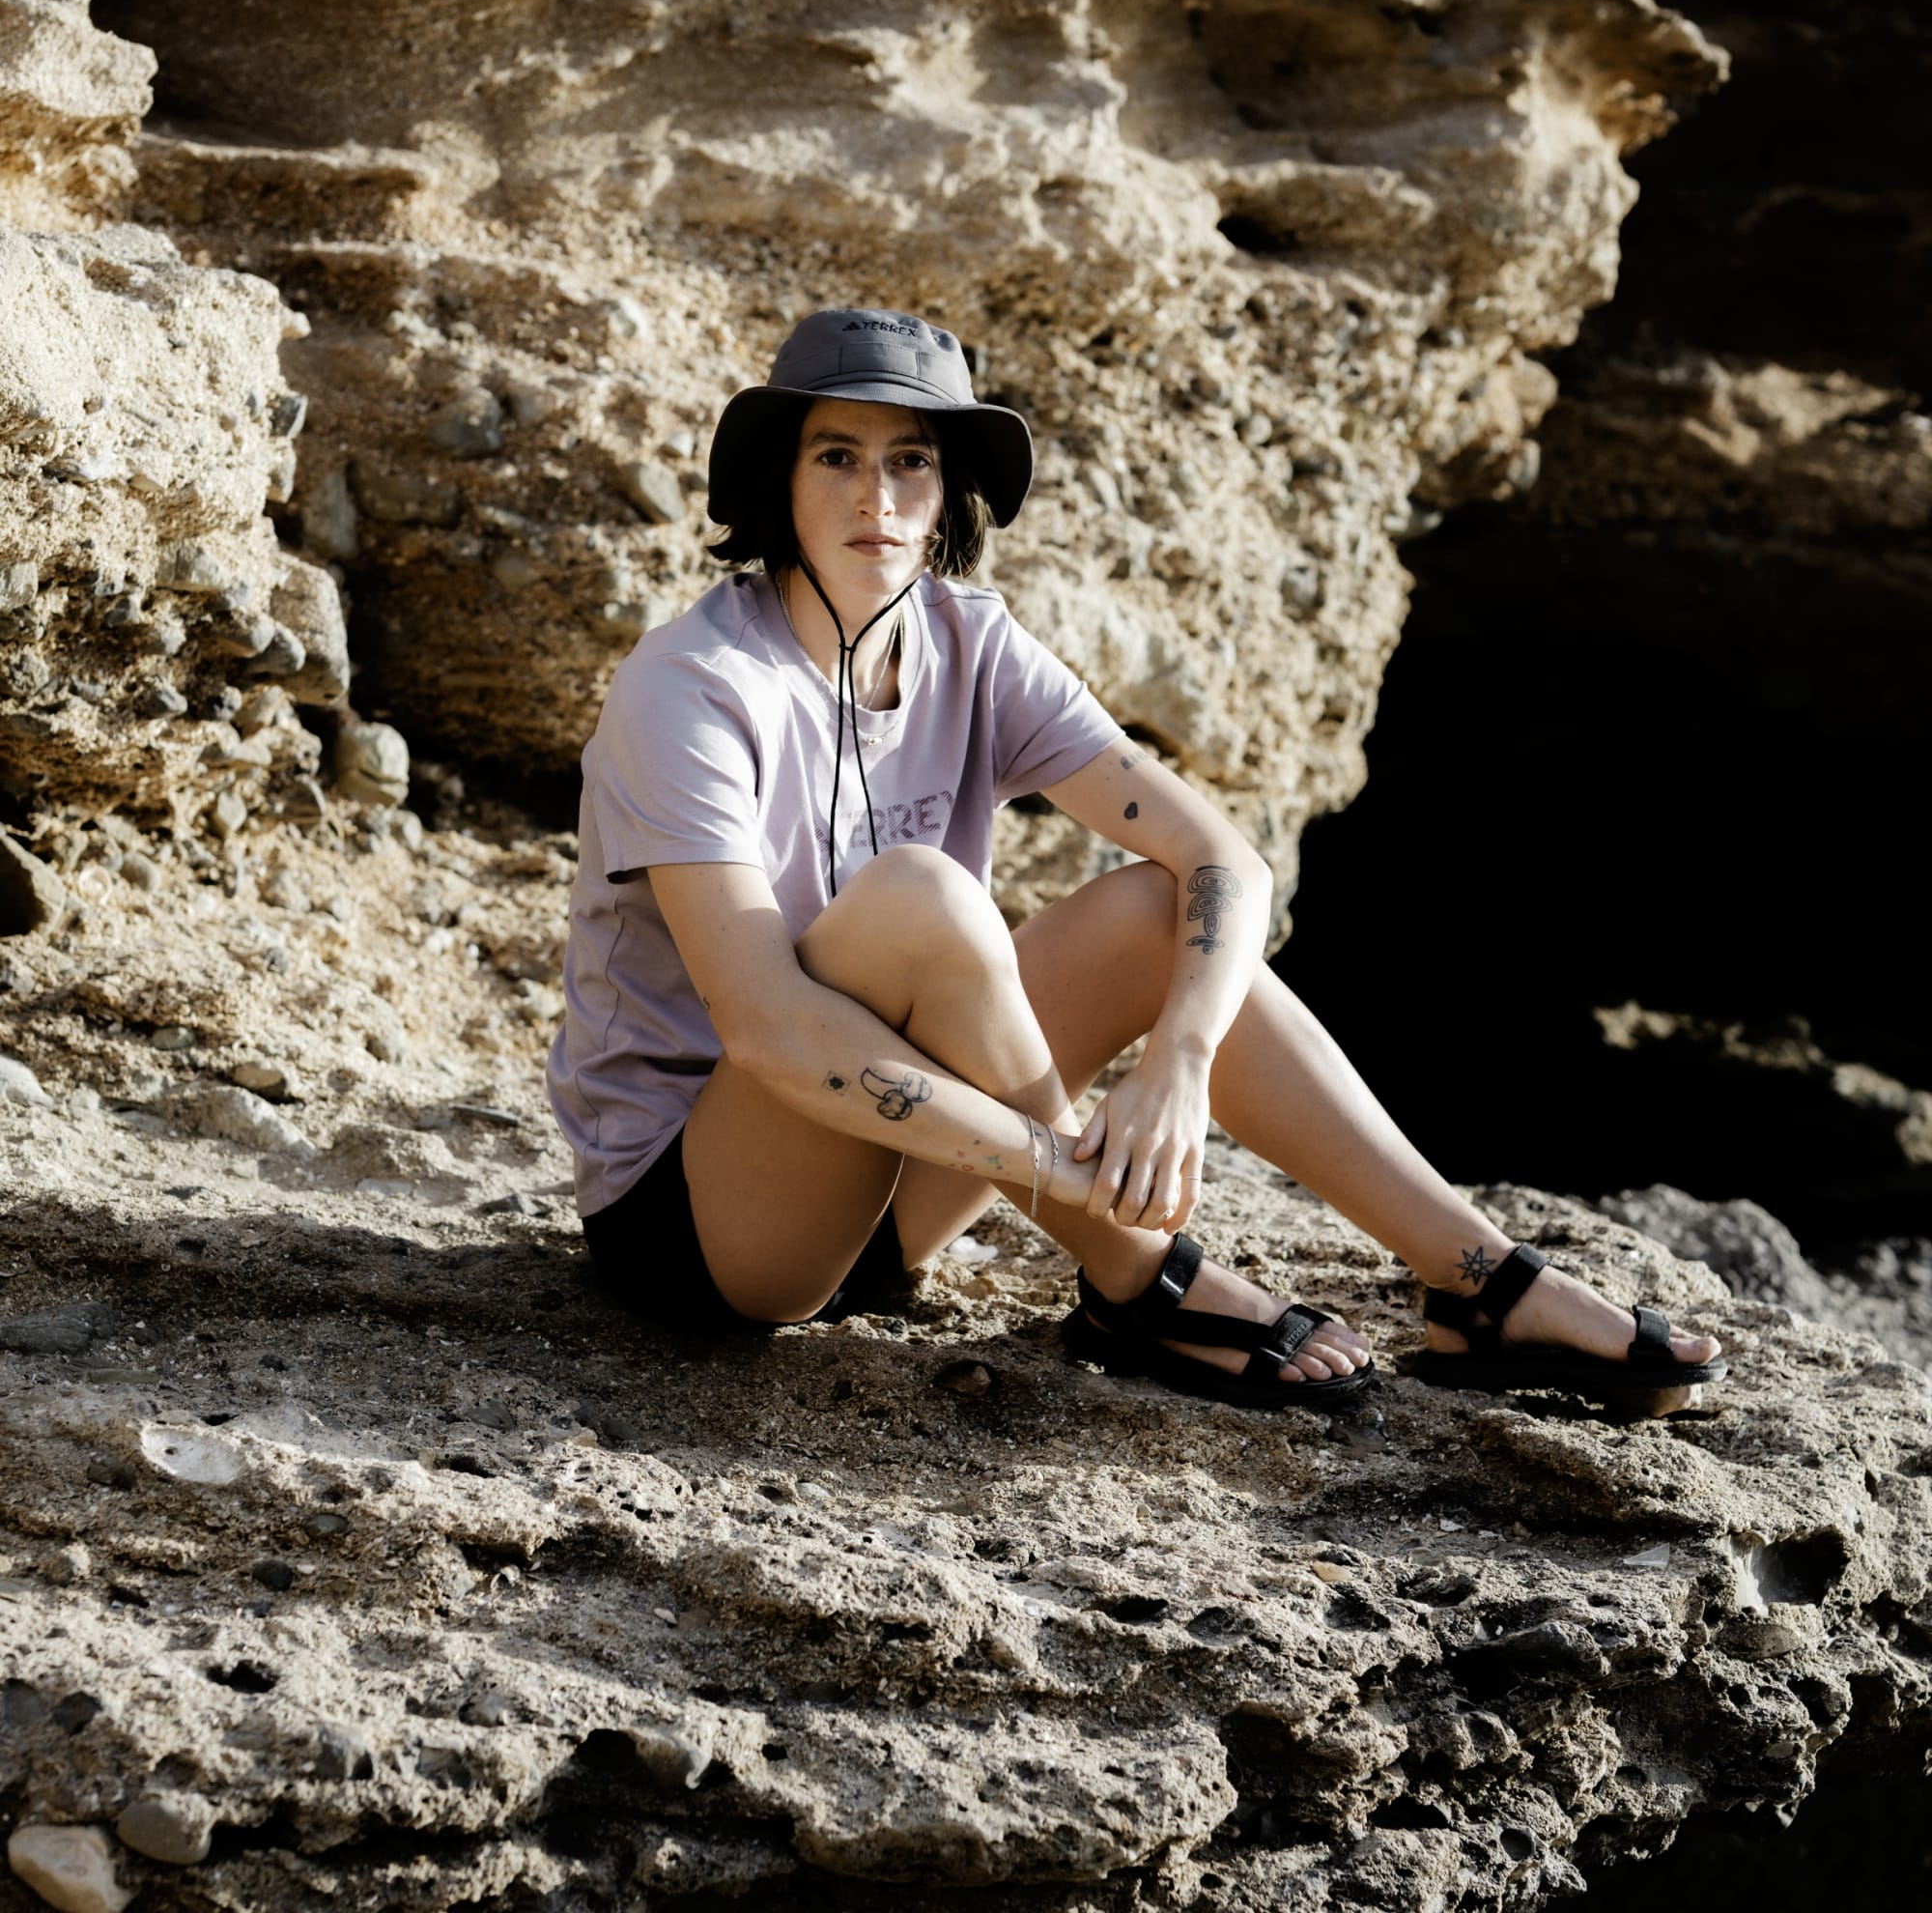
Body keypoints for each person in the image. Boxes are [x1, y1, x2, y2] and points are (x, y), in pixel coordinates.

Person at [547, 309, 1725, 1411]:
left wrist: (1177, 1065)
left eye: (910, 460)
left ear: (948, 489)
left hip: (898, 1185)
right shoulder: (695, 685)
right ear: (779, 479)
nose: (877, 496)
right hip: (711, 1226)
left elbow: (1221, 857)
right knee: (919, 900)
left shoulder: (968, 640)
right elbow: (766, 1027)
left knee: (1159, 912)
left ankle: (1480, 1284)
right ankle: (1143, 1279)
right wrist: (1071, 1176)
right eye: (836, 456)